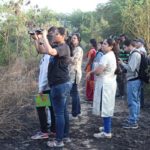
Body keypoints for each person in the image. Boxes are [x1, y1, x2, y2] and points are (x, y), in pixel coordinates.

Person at [32, 27, 71, 148]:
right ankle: (64, 136)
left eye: (56, 34)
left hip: (59, 85)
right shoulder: (56, 47)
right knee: (62, 112)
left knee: (59, 114)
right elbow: (41, 49)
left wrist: (44, 36)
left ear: (63, 35)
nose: (54, 36)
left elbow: (50, 51)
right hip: (58, 85)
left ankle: (59, 141)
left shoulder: (63, 47)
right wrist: (36, 39)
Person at [86, 38, 117, 138]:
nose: (102, 45)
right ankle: (106, 127)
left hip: (105, 84)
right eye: (102, 43)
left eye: (105, 44)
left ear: (111, 46)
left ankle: (107, 132)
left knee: (105, 107)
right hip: (110, 83)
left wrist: (91, 72)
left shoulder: (106, 57)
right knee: (107, 106)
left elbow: (99, 71)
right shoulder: (111, 55)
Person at [31, 27, 56, 140]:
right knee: (51, 109)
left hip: (46, 87)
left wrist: (41, 88)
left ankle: (44, 131)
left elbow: (46, 74)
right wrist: (36, 39)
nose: (41, 44)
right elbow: (39, 50)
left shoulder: (48, 57)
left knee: (40, 108)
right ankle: (53, 130)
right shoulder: (47, 54)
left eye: (43, 42)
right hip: (49, 87)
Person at [119, 39, 141, 129]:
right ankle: (134, 118)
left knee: (132, 101)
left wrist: (122, 63)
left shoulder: (135, 54)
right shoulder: (135, 53)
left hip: (133, 80)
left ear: (129, 45)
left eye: (125, 47)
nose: (124, 49)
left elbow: (131, 68)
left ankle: (133, 122)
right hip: (135, 80)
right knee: (136, 101)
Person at [69, 33, 83, 118]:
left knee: (73, 93)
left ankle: (74, 112)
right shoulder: (73, 48)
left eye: (74, 38)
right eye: (72, 38)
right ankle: (78, 111)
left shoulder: (78, 49)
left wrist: (66, 56)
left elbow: (74, 60)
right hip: (72, 72)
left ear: (78, 40)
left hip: (74, 73)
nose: (72, 39)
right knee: (75, 93)